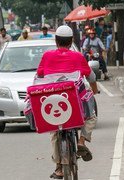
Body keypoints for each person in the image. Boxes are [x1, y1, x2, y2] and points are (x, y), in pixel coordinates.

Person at [37, 25, 98, 179]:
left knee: (54, 130)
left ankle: (58, 167)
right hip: (73, 100)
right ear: (71, 41)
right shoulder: (78, 56)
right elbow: (91, 77)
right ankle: (82, 141)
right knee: (91, 115)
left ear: (56, 41)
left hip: (53, 100)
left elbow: (40, 74)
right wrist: (94, 90)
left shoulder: (47, 56)